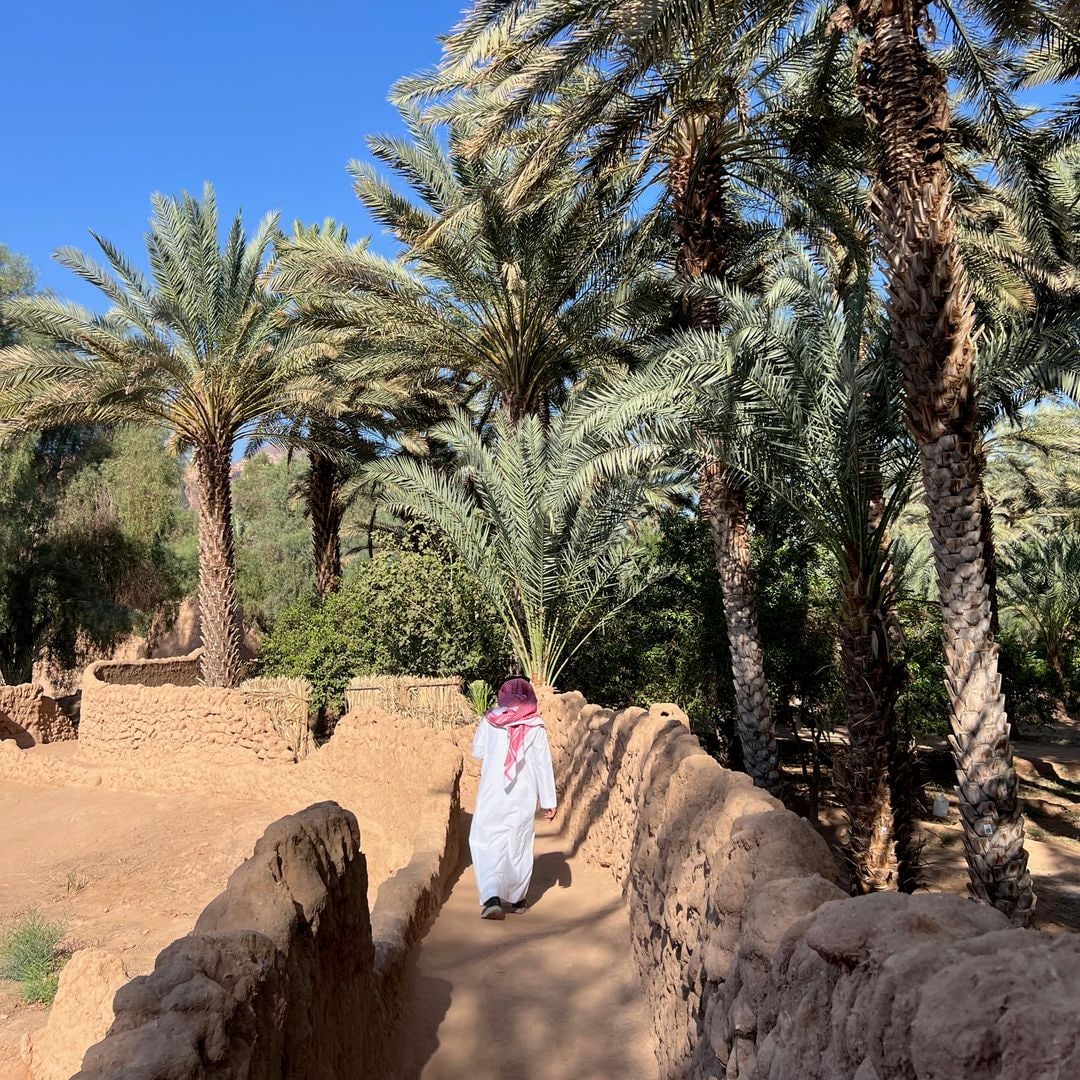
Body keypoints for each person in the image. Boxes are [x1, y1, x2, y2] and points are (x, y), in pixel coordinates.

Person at [469, 677, 557, 920]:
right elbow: (543, 766)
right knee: (517, 844)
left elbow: (477, 751)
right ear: (529, 697)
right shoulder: (535, 725)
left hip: (493, 793)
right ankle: (517, 899)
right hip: (523, 796)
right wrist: (549, 801)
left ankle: (491, 898)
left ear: (503, 695)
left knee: (487, 841)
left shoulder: (490, 720)